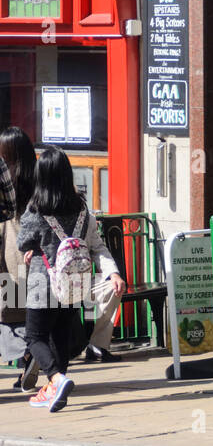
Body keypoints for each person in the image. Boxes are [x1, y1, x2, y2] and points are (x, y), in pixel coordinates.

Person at [18, 147, 124, 412]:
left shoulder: (35, 210)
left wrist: (35, 248)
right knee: (60, 336)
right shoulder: (81, 209)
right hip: (74, 283)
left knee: (35, 336)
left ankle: (56, 378)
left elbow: (23, 242)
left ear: (41, 176)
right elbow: (96, 244)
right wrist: (113, 272)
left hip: (44, 282)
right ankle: (55, 389)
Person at [0, 128, 36, 389]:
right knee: (33, 311)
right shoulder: (39, 177)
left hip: (8, 250)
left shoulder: (5, 176)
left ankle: (25, 358)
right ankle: (33, 355)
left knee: (9, 313)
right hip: (35, 254)